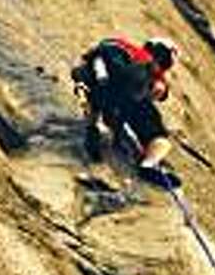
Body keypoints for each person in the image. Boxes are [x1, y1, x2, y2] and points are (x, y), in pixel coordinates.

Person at [71, 35, 180, 180]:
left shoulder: (123, 52)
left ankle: (96, 129)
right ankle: (148, 163)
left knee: (104, 111)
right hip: (116, 96)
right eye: (163, 62)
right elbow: (158, 89)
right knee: (160, 141)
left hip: (103, 91)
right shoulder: (139, 61)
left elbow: (95, 58)